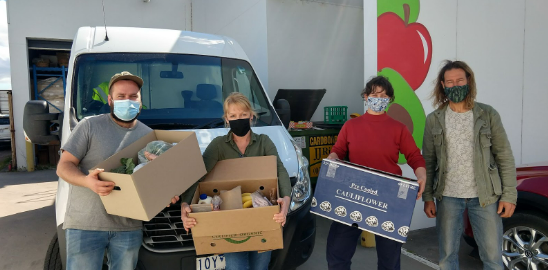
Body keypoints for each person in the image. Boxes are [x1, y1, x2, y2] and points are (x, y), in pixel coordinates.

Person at [57, 71, 179, 270]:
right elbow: (64, 166)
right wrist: (88, 181)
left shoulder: (148, 135)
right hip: (86, 224)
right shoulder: (89, 126)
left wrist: (164, 193)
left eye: (133, 96)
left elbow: (149, 177)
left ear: (140, 101)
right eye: (121, 97)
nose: (128, 101)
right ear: (110, 100)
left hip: (128, 227)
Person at [180, 92, 292, 270]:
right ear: (226, 119)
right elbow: (199, 174)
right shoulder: (218, 145)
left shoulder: (264, 142)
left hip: (261, 214)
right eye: (233, 116)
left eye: (243, 115)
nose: (238, 119)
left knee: (261, 267)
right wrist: (185, 204)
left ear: (251, 116)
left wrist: (285, 201)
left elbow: (279, 170)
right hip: (230, 218)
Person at [422, 60, 517, 270]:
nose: (455, 85)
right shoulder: (434, 120)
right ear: (443, 85)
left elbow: (504, 156)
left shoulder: (487, 114)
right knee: (447, 257)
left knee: (492, 257)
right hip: (448, 197)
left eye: (459, 80)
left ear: (469, 81)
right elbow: (428, 161)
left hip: (485, 197)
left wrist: (509, 195)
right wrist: (428, 197)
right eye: (450, 82)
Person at [325, 76, 427, 270]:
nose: (378, 98)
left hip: (388, 196)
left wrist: (421, 176)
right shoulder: (350, 126)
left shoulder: (399, 129)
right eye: (374, 94)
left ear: (389, 99)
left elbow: (414, 156)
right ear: (365, 97)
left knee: (389, 259)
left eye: (383, 95)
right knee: (338, 253)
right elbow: (338, 150)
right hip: (353, 193)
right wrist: (333, 158)